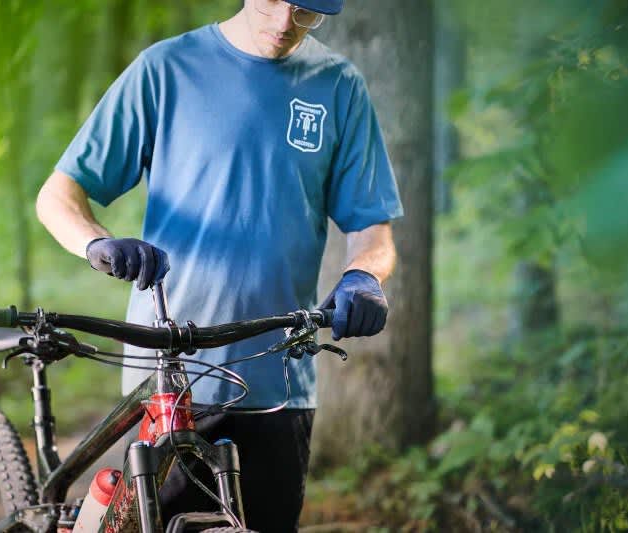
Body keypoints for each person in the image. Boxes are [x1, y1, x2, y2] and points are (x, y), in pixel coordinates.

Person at [36, 0, 402, 530]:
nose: (285, 24)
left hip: (279, 380)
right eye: (274, 1)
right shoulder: (166, 70)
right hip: (172, 378)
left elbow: (373, 229)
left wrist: (364, 276)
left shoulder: (339, 86)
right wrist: (97, 244)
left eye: (307, 12)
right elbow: (58, 196)